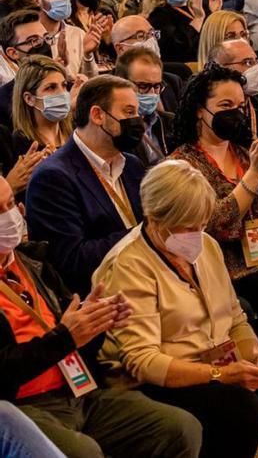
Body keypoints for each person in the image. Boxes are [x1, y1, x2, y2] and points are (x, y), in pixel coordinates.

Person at [94, 159, 258, 458]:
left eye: (202, 224)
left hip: (219, 363)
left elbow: (234, 318)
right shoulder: (128, 266)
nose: (196, 234)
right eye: (187, 227)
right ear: (155, 218)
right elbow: (143, 362)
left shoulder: (205, 246)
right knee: (239, 408)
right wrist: (220, 375)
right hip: (160, 380)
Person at [0, 173, 203, 458]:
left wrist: (96, 323)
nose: (13, 215)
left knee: (179, 428)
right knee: (84, 452)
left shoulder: (31, 261)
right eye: (1, 210)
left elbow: (72, 340)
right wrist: (65, 337)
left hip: (78, 389)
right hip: (23, 406)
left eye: (12, 203)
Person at [167, 66, 258, 353]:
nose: (235, 113)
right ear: (200, 110)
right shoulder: (182, 165)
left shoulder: (247, 151)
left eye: (241, 106)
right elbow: (215, 223)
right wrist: (254, 174)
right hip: (226, 267)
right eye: (225, 106)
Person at [26, 75, 146, 294]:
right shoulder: (53, 177)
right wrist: (146, 235)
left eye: (137, 113)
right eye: (129, 112)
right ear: (98, 115)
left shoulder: (133, 165)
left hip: (143, 284)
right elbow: (72, 260)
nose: (138, 121)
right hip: (97, 299)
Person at [26, 0, 96, 80]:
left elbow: (91, 82)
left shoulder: (78, 33)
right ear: (37, 1)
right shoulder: (27, 39)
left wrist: (88, 55)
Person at [113, 47, 174, 167]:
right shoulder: (113, 129)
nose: (152, 93)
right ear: (120, 82)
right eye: (143, 86)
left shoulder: (171, 122)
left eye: (157, 86)